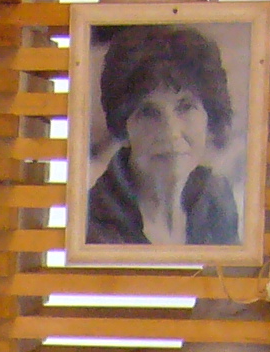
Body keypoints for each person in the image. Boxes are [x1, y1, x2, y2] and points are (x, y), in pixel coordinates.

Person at [82, 24, 242, 249]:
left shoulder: (216, 199)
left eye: (185, 107)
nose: (170, 132)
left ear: (209, 114)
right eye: (148, 112)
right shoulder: (94, 223)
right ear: (123, 126)